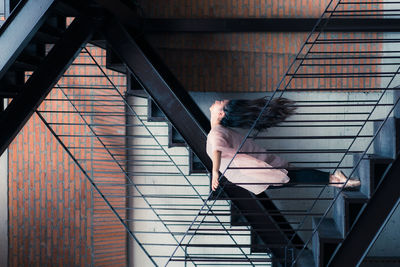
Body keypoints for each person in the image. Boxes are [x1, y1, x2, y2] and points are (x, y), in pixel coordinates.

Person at [207, 97, 360, 195]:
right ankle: (335, 179)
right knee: (295, 176)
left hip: (256, 171)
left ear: (221, 115)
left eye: (219, 102)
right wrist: (215, 172)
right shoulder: (218, 131)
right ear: (221, 114)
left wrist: (215, 172)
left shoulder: (216, 132)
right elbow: (218, 148)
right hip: (254, 171)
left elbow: (217, 149)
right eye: (220, 102)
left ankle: (336, 180)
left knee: (296, 176)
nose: (216, 102)